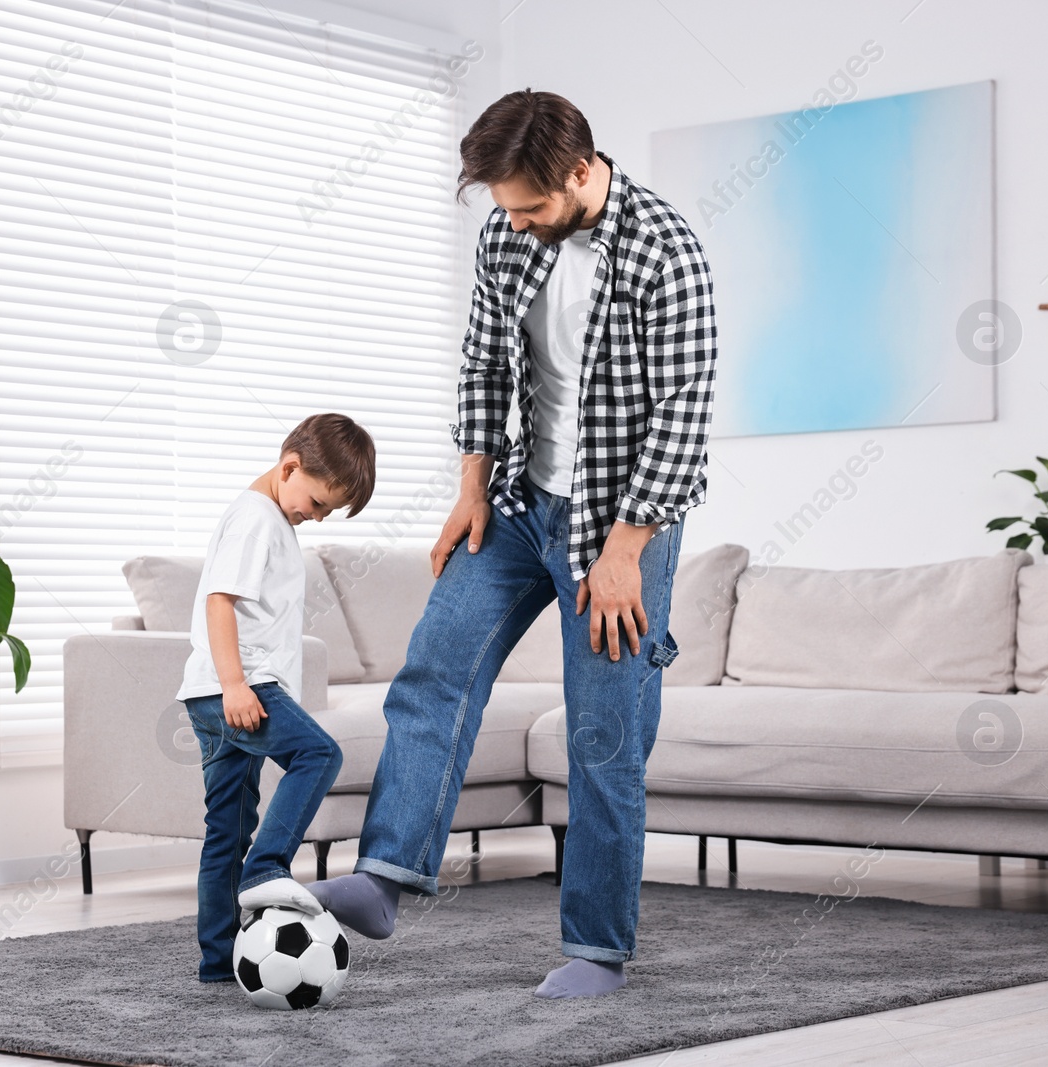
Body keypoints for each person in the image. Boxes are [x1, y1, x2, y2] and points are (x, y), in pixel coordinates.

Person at [311, 90, 718, 1000]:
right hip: (518, 502)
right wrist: (469, 488)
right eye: (505, 209)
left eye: (531, 208)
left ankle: (598, 950)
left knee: (604, 731)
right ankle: (384, 877)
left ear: (581, 173)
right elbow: (485, 358)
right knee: (433, 670)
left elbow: (683, 419)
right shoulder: (510, 230)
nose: (517, 225)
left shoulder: (667, 253)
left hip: (623, 518)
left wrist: (623, 551)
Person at [175, 413, 376, 984]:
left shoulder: (269, 518)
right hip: (238, 689)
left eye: (327, 511)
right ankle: (266, 868)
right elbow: (220, 602)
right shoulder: (258, 518)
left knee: (227, 830)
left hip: (213, 693)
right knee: (320, 754)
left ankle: (217, 963)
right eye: (315, 502)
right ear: (289, 467)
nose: (315, 515)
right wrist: (236, 684)